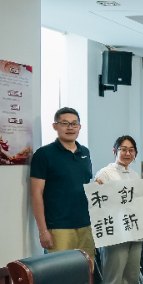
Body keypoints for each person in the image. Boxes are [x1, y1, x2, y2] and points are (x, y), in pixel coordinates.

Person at [94, 136, 143, 284]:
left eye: (131, 150)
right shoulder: (105, 173)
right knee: (114, 277)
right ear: (115, 151)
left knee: (131, 276)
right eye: (123, 149)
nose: (127, 153)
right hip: (115, 233)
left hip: (135, 230)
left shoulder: (134, 174)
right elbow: (100, 202)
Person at [30, 107, 95, 259]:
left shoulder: (85, 152)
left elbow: (85, 184)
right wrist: (43, 230)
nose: (70, 127)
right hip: (58, 227)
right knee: (60, 269)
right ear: (55, 126)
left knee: (86, 268)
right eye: (65, 123)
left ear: (79, 127)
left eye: (74, 124)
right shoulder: (44, 154)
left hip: (86, 225)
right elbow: (36, 193)